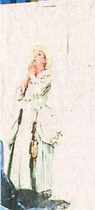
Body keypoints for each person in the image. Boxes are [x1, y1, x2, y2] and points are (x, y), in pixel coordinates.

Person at [7, 46, 61, 208]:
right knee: (21, 151)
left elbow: (39, 93)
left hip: (38, 117)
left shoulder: (47, 76)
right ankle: (22, 188)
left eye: (40, 55)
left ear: (45, 60)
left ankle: (37, 192)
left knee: (36, 152)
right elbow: (19, 95)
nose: (36, 58)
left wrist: (33, 77)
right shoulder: (32, 77)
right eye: (34, 55)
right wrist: (27, 78)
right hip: (26, 117)